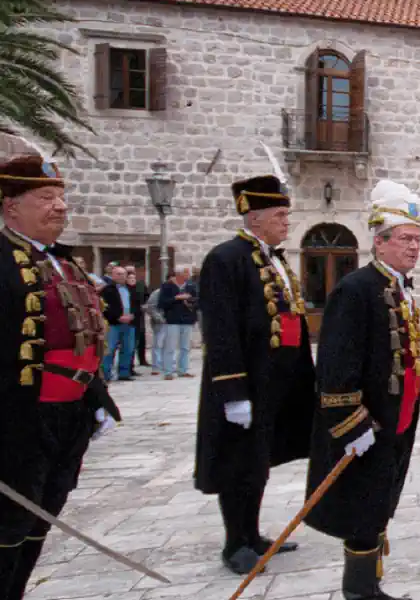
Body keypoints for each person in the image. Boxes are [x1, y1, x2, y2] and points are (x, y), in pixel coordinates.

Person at [0, 151, 119, 598]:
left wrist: (97, 398)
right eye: (46, 197)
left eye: (61, 197)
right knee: (10, 522)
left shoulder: (65, 264)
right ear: (12, 205)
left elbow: (85, 337)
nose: (60, 206)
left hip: (68, 417)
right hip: (18, 419)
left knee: (43, 514)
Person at [305, 179, 420, 600]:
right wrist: (350, 424)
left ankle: (368, 582)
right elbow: (335, 367)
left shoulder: (395, 286)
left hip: (396, 420)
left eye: (417, 240)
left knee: (379, 500)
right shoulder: (355, 289)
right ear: (379, 242)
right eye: (405, 239)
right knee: (363, 504)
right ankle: (359, 590)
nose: (414, 247)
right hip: (368, 425)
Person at [195, 173, 315, 575]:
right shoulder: (226, 259)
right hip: (245, 383)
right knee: (237, 462)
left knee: (258, 460)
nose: (286, 222)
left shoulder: (274, 259)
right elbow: (221, 329)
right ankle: (235, 542)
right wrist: (232, 391)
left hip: (275, 382)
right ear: (255, 216)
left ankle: (253, 532)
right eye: (280, 214)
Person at [159, 267, 199, 380]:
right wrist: (176, 298)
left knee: (185, 347)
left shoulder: (191, 286)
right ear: (178, 274)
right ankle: (168, 371)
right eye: (186, 272)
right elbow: (162, 303)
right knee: (170, 346)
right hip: (172, 320)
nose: (188, 274)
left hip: (187, 319)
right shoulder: (167, 286)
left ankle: (183, 370)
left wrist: (189, 301)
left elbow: (197, 300)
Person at [100, 265, 137, 382]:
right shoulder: (107, 290)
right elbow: (104, 307)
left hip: (129, 324)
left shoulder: (131, 289)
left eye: (123, 274)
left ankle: (124, 373)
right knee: (109, 349)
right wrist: (117, 317)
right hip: (113, 324)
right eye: (118, 274)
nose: (121, 277)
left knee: (128, 349)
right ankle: (106, 374)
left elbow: (137, 304)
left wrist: (132, 315)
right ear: (113, 275)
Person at [125, 265, 149, 372]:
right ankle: (129, 366)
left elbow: (146, 296)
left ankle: (142, 359)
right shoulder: (124, 288)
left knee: (141, 339)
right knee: (130, 343)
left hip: (139, 317)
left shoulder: (140, 285)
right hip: (128, 318)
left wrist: (144, 305)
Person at [146, 284, 167, 375]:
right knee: (158, 344)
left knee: (168, 345)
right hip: (160, 323)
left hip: (171, 322)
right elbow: (151, 307)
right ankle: (156, 366)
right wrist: (159, 318)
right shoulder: (157, 293)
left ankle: (166, 364)